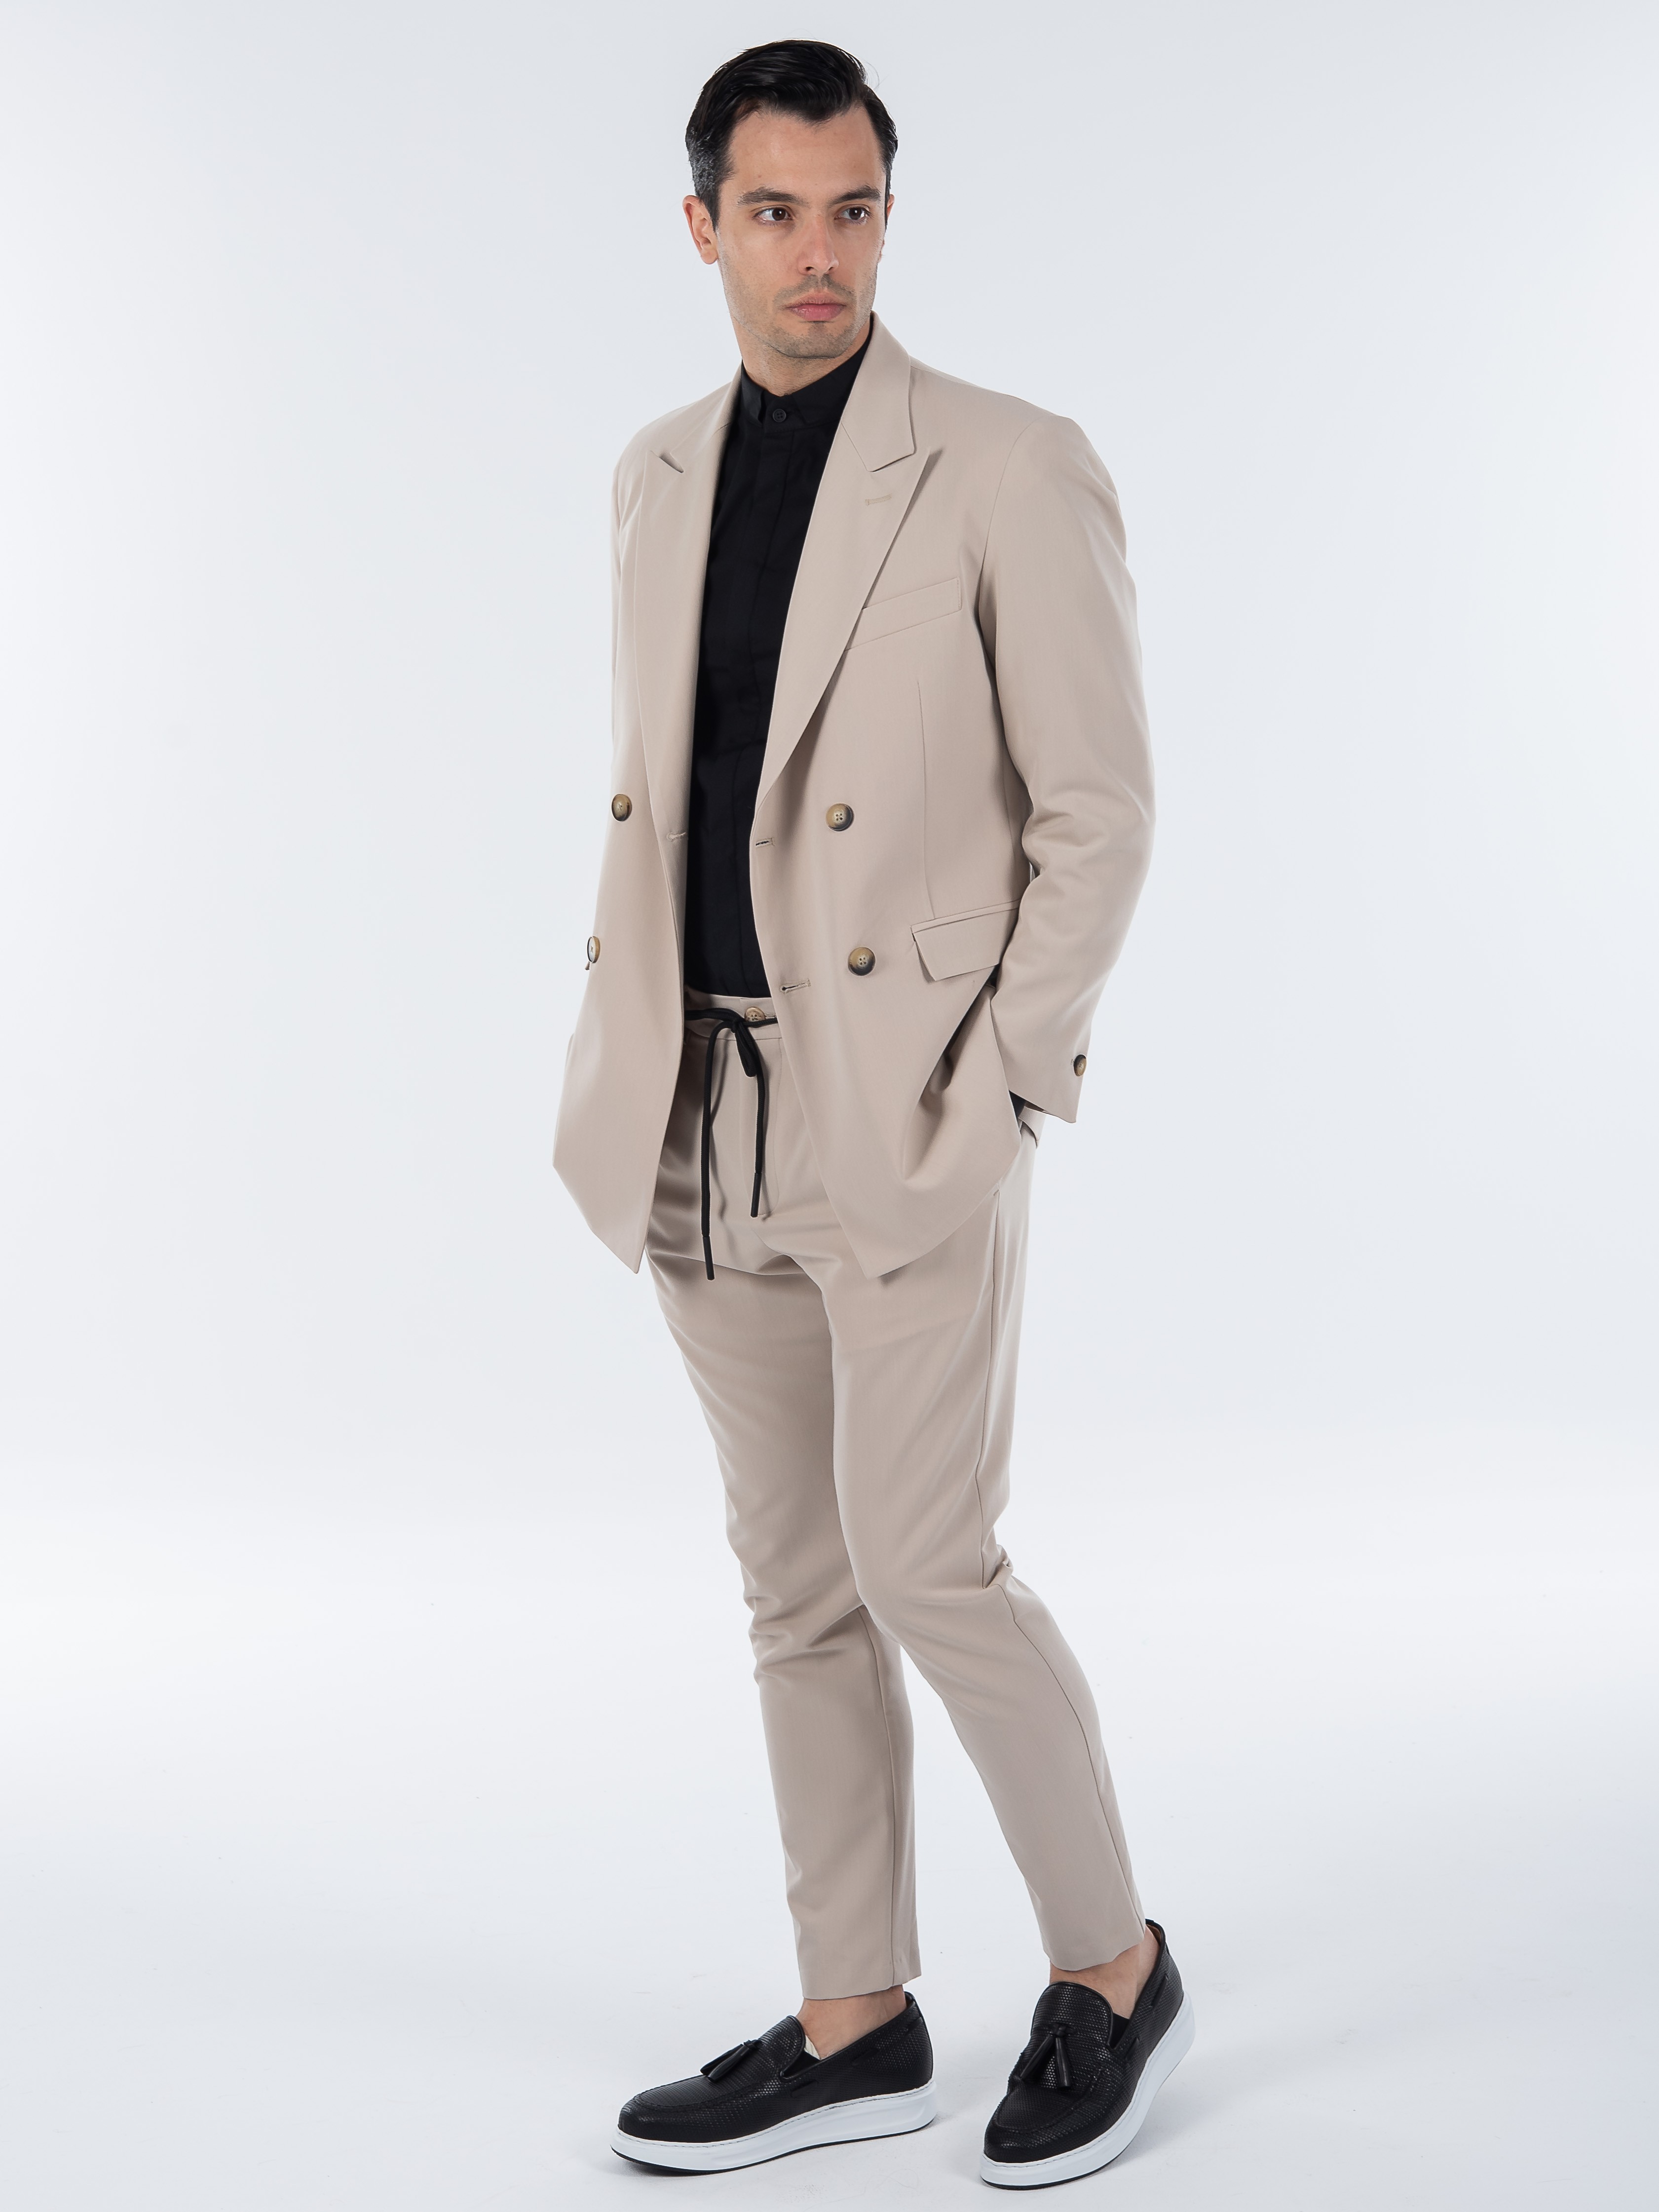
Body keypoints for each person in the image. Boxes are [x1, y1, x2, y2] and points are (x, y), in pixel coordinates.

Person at [554, 38, 1190, 2188]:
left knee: (931, 1564)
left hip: (899, 1109)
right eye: (775, 213)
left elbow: (1098, 813)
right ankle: (858, 2015)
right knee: (796, 1586)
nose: (817, 254)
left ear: (885, 220)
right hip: (690, 1100)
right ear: (703, 226)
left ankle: (1110, 1965)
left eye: (852, 211)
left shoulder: (1006, 463)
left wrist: (1000, 1080)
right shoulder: (650, 473)